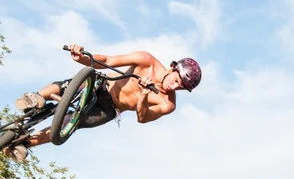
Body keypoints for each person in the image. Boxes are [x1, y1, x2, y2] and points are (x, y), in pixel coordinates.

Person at [4, 44, 202, 161]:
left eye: (182, 88)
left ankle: (22, 144)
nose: (175, 87)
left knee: (70, 125)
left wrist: (142, 95)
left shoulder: (168, 104)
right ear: (173, 68)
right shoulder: (146, 60)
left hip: (110, 109)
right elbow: (108, 60)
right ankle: (35, 97)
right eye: (177, 81)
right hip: (101, 85)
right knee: (67, 85)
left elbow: (143, 118)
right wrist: (81, 58)